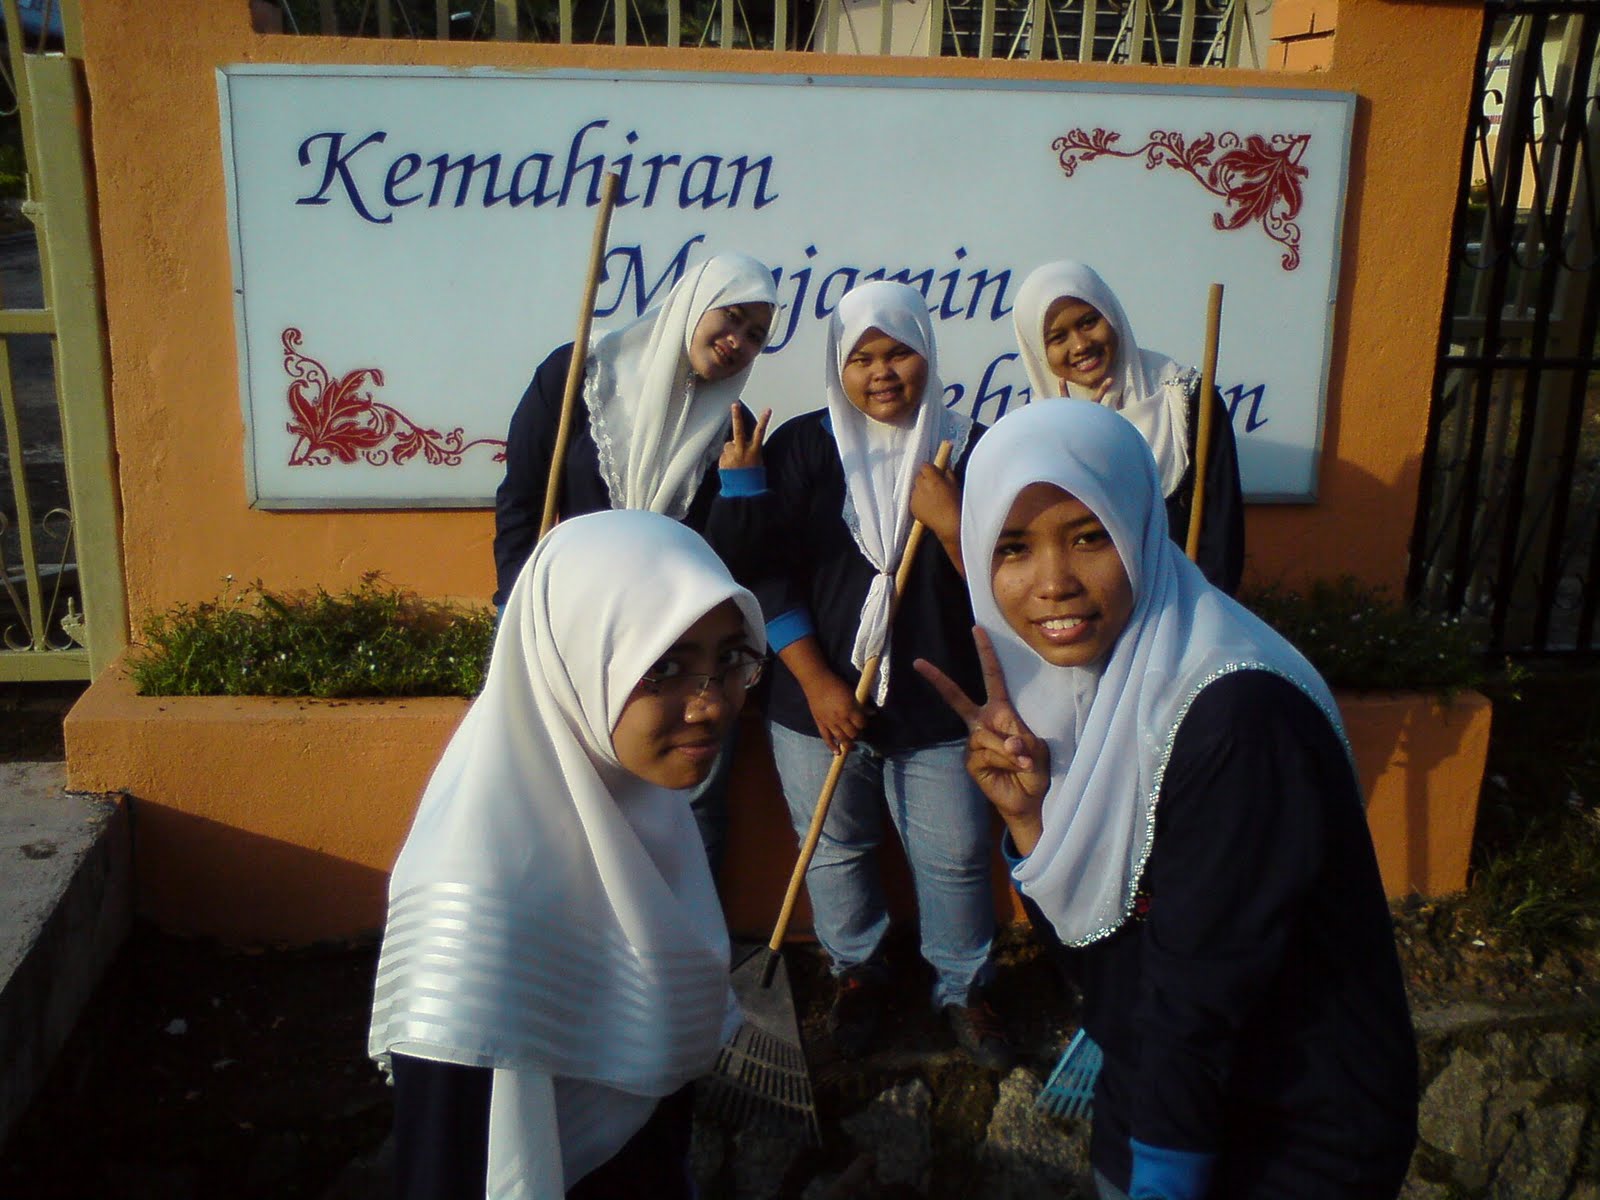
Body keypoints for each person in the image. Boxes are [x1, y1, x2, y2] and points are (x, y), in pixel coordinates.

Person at [915, 400, 1418, 1199]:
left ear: (1141, 529)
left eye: (1089, 536)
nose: (1053, 582)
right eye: (1012, 548)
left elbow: (1196, 995)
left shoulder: (1234, 714)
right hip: (1164, 1103)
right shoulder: (1104, 695)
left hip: (1288, 1137)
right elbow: (1108, 962)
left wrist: (1160, 1179)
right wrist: (1031, 820)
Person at [371, 510, 767, 1199]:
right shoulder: (474, 905)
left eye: (730, 659)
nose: (710, 705)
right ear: (572, 665)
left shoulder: (646, 820)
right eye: (664, 667)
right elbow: (449, 1169)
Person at [708, 280, 1010, 1069]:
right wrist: (816, 682)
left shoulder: (973, 450)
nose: (881, 372)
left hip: (940, 702)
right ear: (838, 367)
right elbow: (764, 576)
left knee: (955, 852)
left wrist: (953, 526)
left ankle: (962, 987)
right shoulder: (806, 449)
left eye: (898, 352)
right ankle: (857, 973)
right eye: (862, 357)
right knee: (835, 845)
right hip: (816, 700)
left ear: (928, 354)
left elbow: (1011, 585)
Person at [493, 250, 779, 874]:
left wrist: (740, 489)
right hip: (577, 628)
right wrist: (513, 607)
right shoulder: (581, 374)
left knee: (690, 804)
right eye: (730, 318)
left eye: (756, 336)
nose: (737, 341)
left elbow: (727, 563)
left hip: (681, 649)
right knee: (565, 789)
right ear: (692, 306)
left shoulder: (732, 428)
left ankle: (680, 925)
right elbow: (522, 500)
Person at [1012, 260, 1245, 594]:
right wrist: (1071, 439)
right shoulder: (1034, 432)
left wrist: (1204, 608)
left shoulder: (1187, 401)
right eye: (1058, 337)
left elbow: (1222, 529)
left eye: (1089, 322)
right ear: (1038, 351)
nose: (1080, 345)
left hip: (1183, 604)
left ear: (1111, 314)